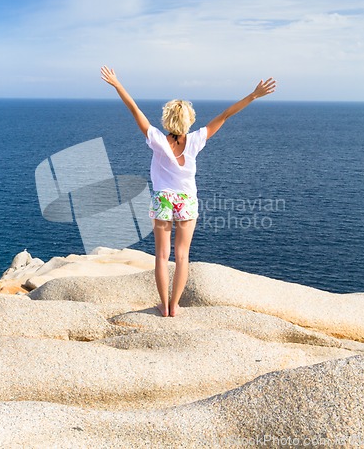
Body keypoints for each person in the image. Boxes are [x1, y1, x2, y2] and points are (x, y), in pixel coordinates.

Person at [101, 66, 276, 317]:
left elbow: (134, 110)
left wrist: (117, 84)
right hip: (186, 202)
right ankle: (175, 306)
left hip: (162, 199)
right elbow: (226, 115)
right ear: (188, 120)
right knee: (182, 256)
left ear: (167, 120)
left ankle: (163, 306)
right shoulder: (195, 140)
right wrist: (253, 95)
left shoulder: (158, 140)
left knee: (161, 256)